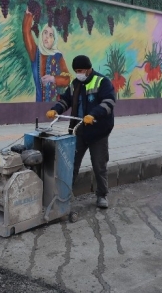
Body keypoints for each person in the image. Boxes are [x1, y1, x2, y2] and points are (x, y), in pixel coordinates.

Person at [46, 55, 116, 208]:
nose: (79, 73)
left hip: (98, 132)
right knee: (70, 165)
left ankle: (102, 195)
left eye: (81, 70)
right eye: (76, 71)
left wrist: (94, 115)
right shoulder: (75, 84)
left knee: (99, 166)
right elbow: (66, 100)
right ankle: (64, 196)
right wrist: (55, 110)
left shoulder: (102, 82)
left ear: (89, 69)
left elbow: (109, 102)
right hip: (78, 131)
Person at [22, 0, 70, 102]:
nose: (47, 37)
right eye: (45, 33)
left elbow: (67, 79)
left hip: (56, 105)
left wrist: (53, 79)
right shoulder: (35, 53)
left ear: (54, 39)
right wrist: (29, 12)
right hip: (39, 104)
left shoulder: (58, 56)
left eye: (50, 35)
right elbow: (26, 32)